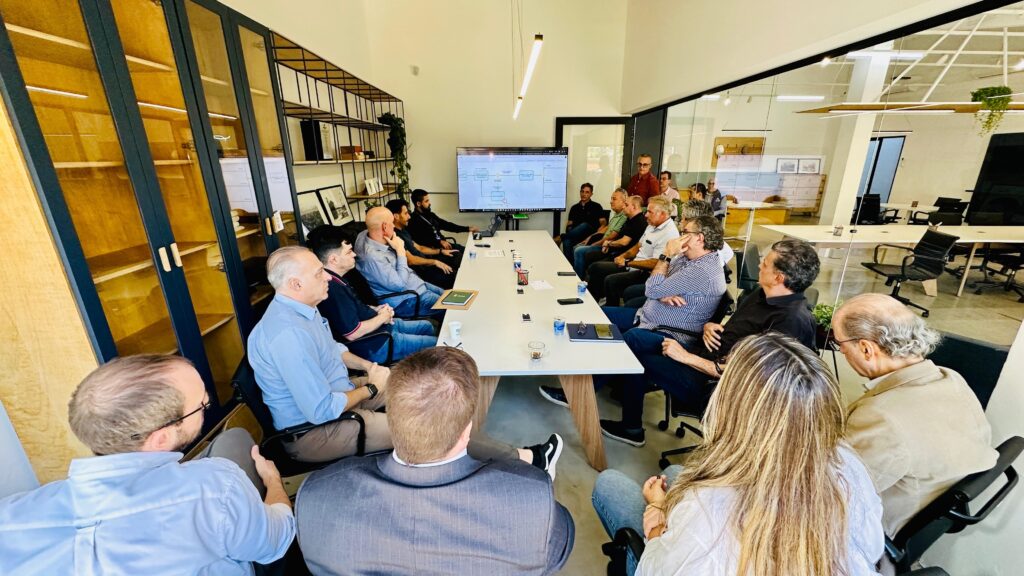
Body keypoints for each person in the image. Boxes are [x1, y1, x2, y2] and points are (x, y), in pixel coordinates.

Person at [592, 334, 884, 576]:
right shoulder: (851, 466)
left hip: (688, 547)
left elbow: (655, 570)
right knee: (673, 476)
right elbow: (872, 550)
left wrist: (657, 517)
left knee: (609, 483)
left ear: (732, 406)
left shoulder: (710, 506)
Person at [249, 246, 563, 470]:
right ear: (295, 284)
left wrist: (371, 368)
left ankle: (468, 452)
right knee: (430, 427)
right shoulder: (286, 335)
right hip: (316, 431)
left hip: (343, 392)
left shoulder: (304, 311)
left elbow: (336, 352)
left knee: (427, 388)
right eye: (319, 273)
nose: (328, 278)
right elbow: (321, 409)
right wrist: (371, 388)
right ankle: (530, 459)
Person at [0, 355, 295, 574]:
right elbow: (275, 542)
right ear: (161, 438)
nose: (207, 404)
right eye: (201, 406)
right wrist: (273, 482)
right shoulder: (215, 486)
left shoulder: (9, 518)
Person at [296, 348, 574, 575]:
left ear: (390, 419)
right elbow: (556, 552)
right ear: (467, 431)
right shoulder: (530, 498)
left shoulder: (317, 496)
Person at [600, 239, 820, 445]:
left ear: (779, 277)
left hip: (717, 386)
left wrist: (686, 357)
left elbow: (750, 378)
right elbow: (741, 333)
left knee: (639, 353)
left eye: (766, 263)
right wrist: (710, 326)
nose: (760, 264)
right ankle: (624, 415)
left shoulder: (791, 322)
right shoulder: (762, 294)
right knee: (636, 340)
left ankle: (624, 422)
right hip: (704, 353)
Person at [832, 294, 999, 537]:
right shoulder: (950, 378)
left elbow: (833, 491)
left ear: (866, 349)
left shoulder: (881, 416)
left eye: (841, 345)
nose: (842, 353)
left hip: (876, 529)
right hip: (928, 515)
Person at [541, 216, 727, 411]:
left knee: (631, 338)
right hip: (647, 315)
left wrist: (665, 258)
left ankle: (578, 395)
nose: (679, 238)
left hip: (671, 333)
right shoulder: (688, 256)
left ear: (700, 238)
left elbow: (653, 288)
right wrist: (661, 293)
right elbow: (657, 284)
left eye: (685, 233)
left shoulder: (702, 271)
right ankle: (578, 371)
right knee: (596, 315)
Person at [308, 226, 437, 364]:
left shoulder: (339, 279)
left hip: (380, 329)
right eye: (349, 252)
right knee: (437, 344)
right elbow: (352, 333)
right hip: (375, 345)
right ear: (333, 259)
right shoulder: (333, 289)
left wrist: (376, 310)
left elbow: (354, 308)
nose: (354, 255)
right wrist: (382, 317)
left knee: (426, 326)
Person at [354, 206, 445, 318]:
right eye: (392, 222)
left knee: (450, 297)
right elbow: (399, 285)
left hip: (416, 285)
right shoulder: (373, 257)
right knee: (452, 308)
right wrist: (400, 251)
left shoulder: (363, 235)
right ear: (384, 227)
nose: (394, 226)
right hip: (406, 300)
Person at [586, 196, 679, 305]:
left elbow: (656, 263)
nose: (646, 215)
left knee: (610, 280)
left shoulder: (669, 233)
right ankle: (592, 303)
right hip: (633, 264)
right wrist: (623, 257)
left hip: (645, 273)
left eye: (649, 212)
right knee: (596, 267)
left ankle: (609, 312)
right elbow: (638, 246)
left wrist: (627, 262)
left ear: (662, 214)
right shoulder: (652, 224)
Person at [385, 198, 459, 289]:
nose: (409, 216)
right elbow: (411, 260)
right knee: (457, 277)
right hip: (423, 273)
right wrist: (434, 262)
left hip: (428, 265)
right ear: (396, 216)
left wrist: (441, 251)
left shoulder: (404, 231)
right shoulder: (395, 236)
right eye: (405, 213)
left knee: (456, 258)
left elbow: (420, 248)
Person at [580, 194, 647, 274]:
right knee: (589, 256)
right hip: (616, 251)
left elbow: (624, 242)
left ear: (634, 207)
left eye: (626, 205)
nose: (623, 207)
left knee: (594, 267)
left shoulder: (638, 221)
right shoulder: (630, 219)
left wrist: (609, 243)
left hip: (624, 257)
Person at [572, 187, 629, 275]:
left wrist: (595, 243)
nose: (611, 201)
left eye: (614, 199)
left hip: (608, 247)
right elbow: (605, 229)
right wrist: (589, 238)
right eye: (611, 199)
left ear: (623, 202)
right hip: (602, 242)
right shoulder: (616, 214)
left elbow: (612, 236)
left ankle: (579, 279)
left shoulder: (624, 216)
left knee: (579, 250)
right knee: (576, 246)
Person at [407, 188, 478, 252]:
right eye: (426, 201)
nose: (429, 203)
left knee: (467, 251)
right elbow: (422, 241)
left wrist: (467, 229)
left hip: (445, 245)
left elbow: (447, 225)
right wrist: (439, 242)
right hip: (434, 251)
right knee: (464, 257)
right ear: (418, 204)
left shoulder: (431, 215)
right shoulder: (413, 220)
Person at [560, 182, 604, 260]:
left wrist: (595, 235)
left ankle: (561, 237)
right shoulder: (574, 208)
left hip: (590, 234)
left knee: (584, 225)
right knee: (567, 241)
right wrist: (570, 230)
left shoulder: (597, 206)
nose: (584, 194)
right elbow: (569, 224)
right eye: (582, 191)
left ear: (591, 194)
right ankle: (570, 267)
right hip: (576, 235)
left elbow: (603, 224)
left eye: (587, 192)